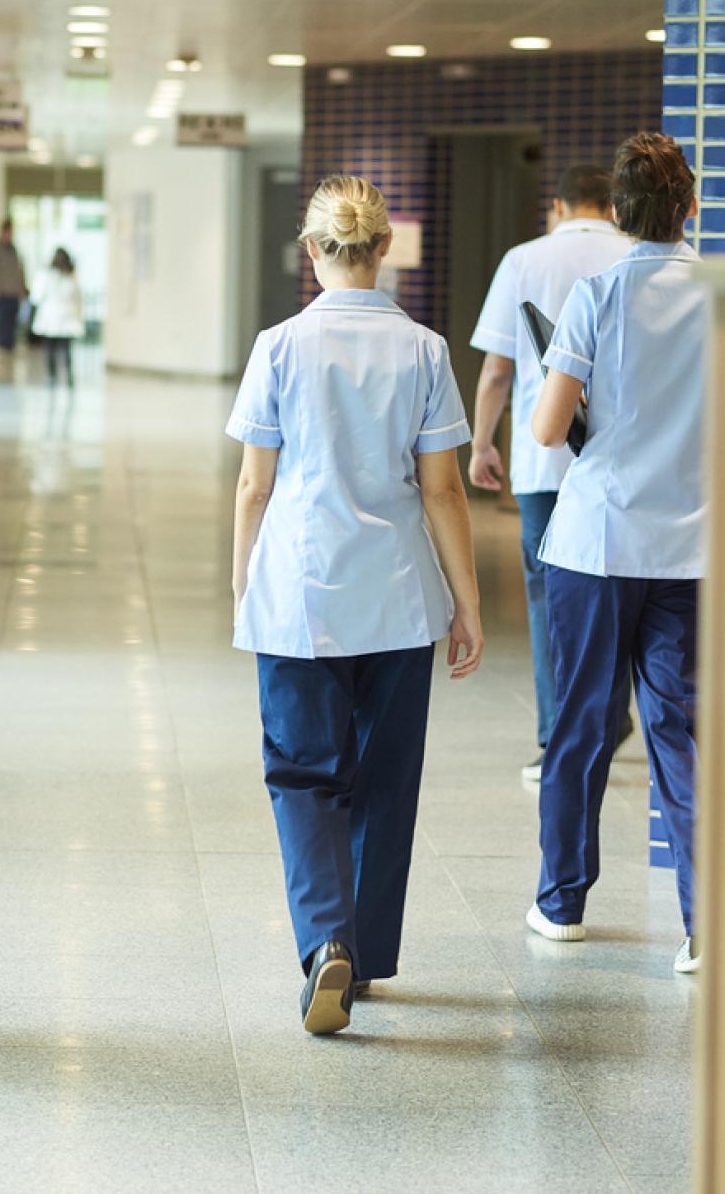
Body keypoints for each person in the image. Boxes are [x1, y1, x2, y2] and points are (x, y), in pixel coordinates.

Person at [228, 175, 486, 1036]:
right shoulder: (425, 350)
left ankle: (324, 941)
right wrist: (467, 602)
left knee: (303, 776)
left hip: (301, 590)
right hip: (400, 598)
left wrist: (244, 584)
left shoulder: (277, 347)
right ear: (384, 252)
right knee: (384, 781)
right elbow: (443, 489)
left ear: (312, 254)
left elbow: (253, 485)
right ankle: (364, 956)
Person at [526, 134, 705, 975]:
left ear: (622, 215)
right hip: (692, 547)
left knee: (581, 727)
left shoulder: (598, 294)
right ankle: (705, 926)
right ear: (691, 206)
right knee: (683, 731)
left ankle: (562, 903)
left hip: (596, 547)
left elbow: (548, 429)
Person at [468, 165, 634, 784]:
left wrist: (483, 444)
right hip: (619, 458)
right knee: (618, 587)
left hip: (543, 460)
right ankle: (611, 714)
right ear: (610, 206)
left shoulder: (523, 259)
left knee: (547, 594)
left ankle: (555, 733)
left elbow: (496, 371)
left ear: (559, 204)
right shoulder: (634, 255)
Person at [30, 247, 84, 386]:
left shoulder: (46, 276)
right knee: (66, 349)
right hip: (66, 318)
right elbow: (77, 297)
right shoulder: (71, 277)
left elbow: (36, 297)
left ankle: (52, 376)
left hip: (49, 318)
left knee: (50, 349)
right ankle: (68, 376)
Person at [0, 218, 27, 352]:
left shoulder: (13, 249)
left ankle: (10, 346)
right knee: (2, 321)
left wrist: (22, 288)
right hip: (2, 291)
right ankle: (2, 346)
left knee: (12, 321)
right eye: (9, 232)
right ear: (4, 231)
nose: (11, 235)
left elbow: (18, 270)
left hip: (14, 292)